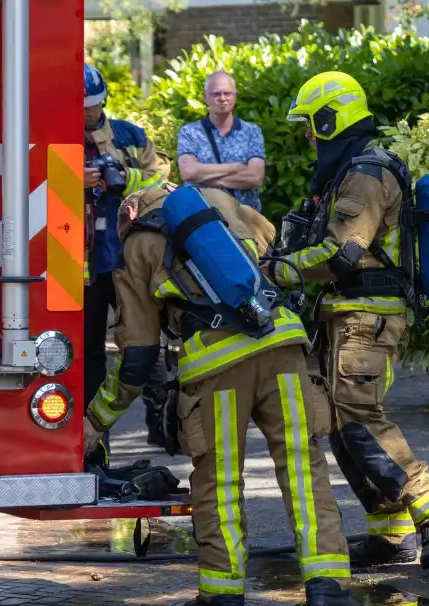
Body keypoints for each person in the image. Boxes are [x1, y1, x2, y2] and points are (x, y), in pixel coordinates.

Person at [81, 184, 357, 606]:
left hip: (216, 365)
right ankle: (327, 585)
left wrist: (95, 422)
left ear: (131, 210)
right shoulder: (219, 201)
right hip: (281, 344)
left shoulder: (136, 244)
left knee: (219, 481)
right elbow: (270, 251)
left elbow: (137, 357)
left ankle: (222, 593)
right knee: (303, 467)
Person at [267, 70, 429, 570]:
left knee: (358, 415)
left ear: (333, 119)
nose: (309, 136)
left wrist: (282, 269)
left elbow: (343, 252)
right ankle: (389, 532)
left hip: (367, 315)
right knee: (338, 425)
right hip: (348, 314)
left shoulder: (364, 173)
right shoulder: (346, 172)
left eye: (313, 125)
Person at [83, 62, 172, 459]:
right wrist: (73, 178)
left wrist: (121, 176)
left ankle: (165, 426)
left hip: (127, 259)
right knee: (88, 360)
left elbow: (161, 180)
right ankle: (92, 447)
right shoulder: (52, 136)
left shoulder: (130, 136)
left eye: (92, 106)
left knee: (145, 346)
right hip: (81, 267)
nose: (86, 114)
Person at [177, 71, 267, 211]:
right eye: (216, 94)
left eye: (227, 93)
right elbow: (189, 172)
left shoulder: (252, 131)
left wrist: (201, 178)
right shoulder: (190, 132)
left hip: (246, 219)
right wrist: (238, 167)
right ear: (205, 97)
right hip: (204, 218)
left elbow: (255, 176)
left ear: (236, 95)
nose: (222, 98)